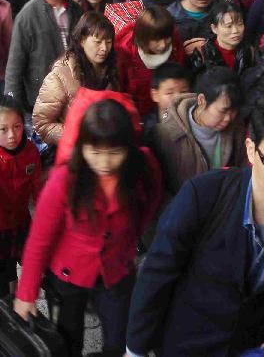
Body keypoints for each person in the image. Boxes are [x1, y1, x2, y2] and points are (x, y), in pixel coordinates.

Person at [126, 89, 264, 356]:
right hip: (187, 344)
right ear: (251, 150)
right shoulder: (203, 195)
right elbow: (158, 273)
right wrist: (136, 349)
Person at [14, 95, 162, 357]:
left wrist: (129, 241)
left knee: (118, 342)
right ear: (82, 147)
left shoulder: (142, 168)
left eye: (114, 152)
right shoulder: (64, 180)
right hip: (68, 275)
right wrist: (26, 292)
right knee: (68, 343)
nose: (104, 163)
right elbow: (40, 239)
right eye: (95, 152)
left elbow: (149, 203)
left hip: (116, 272)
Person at [0, 95, 42, 300]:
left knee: (33, 266)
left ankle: (19, 300)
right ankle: (3, 317)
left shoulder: (30, 150)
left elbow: (38, 186)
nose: (12, 135)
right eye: (3, 129)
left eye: (17, 126)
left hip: (21, 222)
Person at [5, 0, 84, 113]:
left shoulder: (75, 10)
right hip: (43, 96)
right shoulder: (27, 16)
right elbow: (15, 64)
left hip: (76, 92)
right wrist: (13, 105)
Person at [153, 66, 246, 196]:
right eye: (223, 111)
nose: (228, 118)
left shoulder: (237, 130)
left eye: (233, 111)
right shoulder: (166, 134)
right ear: (202, 100)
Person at [33, 12, 119, 147]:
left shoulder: (112, 70)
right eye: (98, 42)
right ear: (82, 40)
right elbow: (42, 124)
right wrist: (79, 135)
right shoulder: (60, 76)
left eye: (108, 42)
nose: (104, 48)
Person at [115, 5, 186, 117]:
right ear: (143, 37)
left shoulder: (176, 43)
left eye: (167, 38)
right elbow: (120, 88)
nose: (163, 45)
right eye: (156, 40)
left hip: (173, 111)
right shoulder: (124, 52)